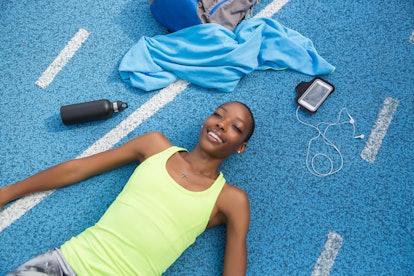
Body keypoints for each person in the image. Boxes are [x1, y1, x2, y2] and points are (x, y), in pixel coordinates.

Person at [0, 101, 255, 276]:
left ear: (240, 147)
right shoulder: (154, 146)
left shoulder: (231, 200)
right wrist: (8, 192)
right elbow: (78, 169)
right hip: (64, 264)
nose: (221, 124)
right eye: (218, 115)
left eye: (236, 127)